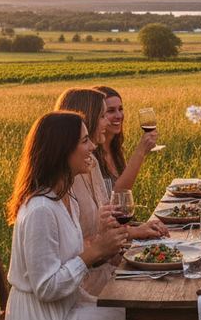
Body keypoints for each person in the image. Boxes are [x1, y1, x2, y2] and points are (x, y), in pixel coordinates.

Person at [4, 110, 194, 320]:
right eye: (84, 141)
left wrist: (107, 250)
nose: (92, 147)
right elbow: (47, 287)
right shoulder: (39, 212)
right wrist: (93, 254)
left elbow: (74, 258)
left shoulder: (66, 201)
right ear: (61, 150)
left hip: (68, 308)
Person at [55, 88, 168, 258]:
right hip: (92, 276)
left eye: (120, 109)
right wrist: (134, 232)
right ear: (86, 119)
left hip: (104, 264)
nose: (109, 121)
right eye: (104, 115)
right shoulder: (68, 179)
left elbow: (106, 226)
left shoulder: (91, 163)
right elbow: (81, 245)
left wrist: (135, 231)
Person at [93, 85, 159, 192]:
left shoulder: (116, 150)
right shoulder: (90, 155)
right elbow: (117, 194)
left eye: (120, 109)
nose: (119, 115)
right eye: (111, 111)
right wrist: (140, 151)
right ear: (95, 116)